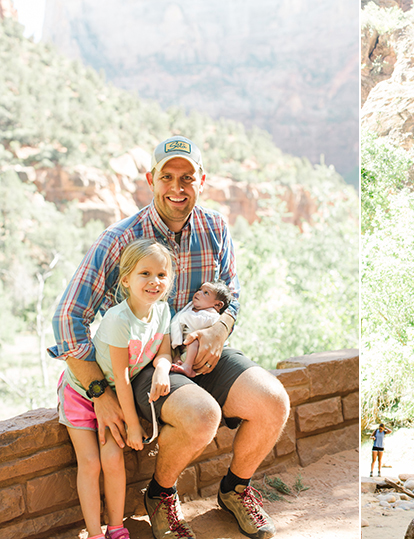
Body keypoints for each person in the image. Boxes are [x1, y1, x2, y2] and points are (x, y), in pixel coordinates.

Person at [50, 135, 290, 539]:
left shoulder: (215, 228)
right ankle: (161, 495)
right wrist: (98, 390)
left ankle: (235, 489)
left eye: (187, 177)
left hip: (201, 350)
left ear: (202, 180)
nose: (177, 188)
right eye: (167, 177)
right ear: (151, 179)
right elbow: (67, 318)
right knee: (202, 416)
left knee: (273, 401)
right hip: (144, 363)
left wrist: (219, 329)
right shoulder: (119, 240)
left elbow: (232, 294)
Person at [57, 238, 175, 539]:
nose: (154, 282)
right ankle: (95, 533)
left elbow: (164, 351)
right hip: (83, 393)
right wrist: (133, 427)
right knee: (92, 463)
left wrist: (162, 367)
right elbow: (121, 377)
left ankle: (116, 527)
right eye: (144, 274)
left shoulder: (162, 312)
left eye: (162, 275)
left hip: (114, 395)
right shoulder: (118, 319)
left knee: (113, 459)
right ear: (126, 279)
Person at [170, 281, 233, 378]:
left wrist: (182, 317)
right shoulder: (197, 310)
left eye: (206, 293)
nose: (198, 293)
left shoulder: (212, 315)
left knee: (195, 338)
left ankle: (187, 366)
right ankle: (185, 364)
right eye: (200, 290)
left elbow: (196, 323)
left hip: (201, 355)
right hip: (187, 353)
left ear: (218, 305)